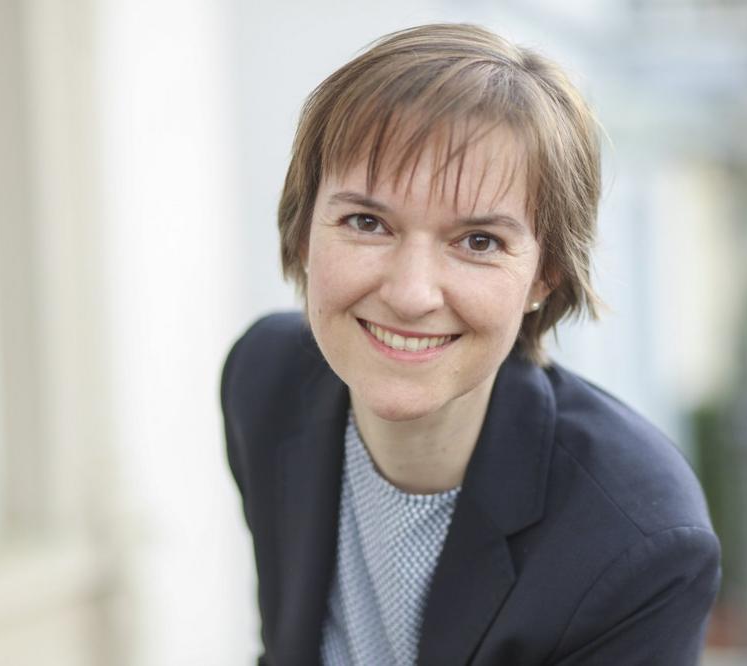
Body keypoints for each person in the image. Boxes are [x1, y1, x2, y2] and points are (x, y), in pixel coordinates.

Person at [221, 23, 720, 665]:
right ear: (302, 234)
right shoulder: (264, 382)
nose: (411, 294)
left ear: (545, 274)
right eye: (367, 222)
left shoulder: (638, 542)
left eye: (478, 241)